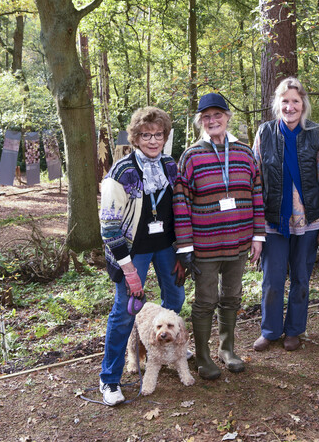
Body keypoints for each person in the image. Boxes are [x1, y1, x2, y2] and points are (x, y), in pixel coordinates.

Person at [173, 92, 265, 380]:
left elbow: (257, 195)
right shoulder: (191, 156)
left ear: (228, 117)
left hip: (238, 243)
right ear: (200, 121)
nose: (213, 120)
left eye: (218, 115)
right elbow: (181, 203)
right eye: (207, 117)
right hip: (205, 246)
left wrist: (258, 236)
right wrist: (185, 246)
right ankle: (202, 358)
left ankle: (227, 350)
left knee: (232, 298)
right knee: (204, 301)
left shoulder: (246, 153)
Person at [99, 106, 186, 406]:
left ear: (165, 136)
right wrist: (129, 271)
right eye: (146, 135)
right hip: (132, 252)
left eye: (158, 135)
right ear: (135, 138)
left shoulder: (170, 166)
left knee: (175, 299)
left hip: (165, 247)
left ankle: (160, 348)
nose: (153, 141)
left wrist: (180, 250)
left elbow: (178, 210)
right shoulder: (121, 173)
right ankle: (109, 379)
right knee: (125, 312)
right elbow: (109, 228)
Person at [252, 77, 319, 352]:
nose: (290, 107)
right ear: (278, 104)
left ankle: (295, 330)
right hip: (273, 220)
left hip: (308, 220)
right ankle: (270, 330)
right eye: (285, 101)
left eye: (295, 101)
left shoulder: (316, 133)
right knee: (273, 279)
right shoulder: (264, 133)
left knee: (301, 277)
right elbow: (255, 180)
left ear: (303, 104)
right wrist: (255, 226)